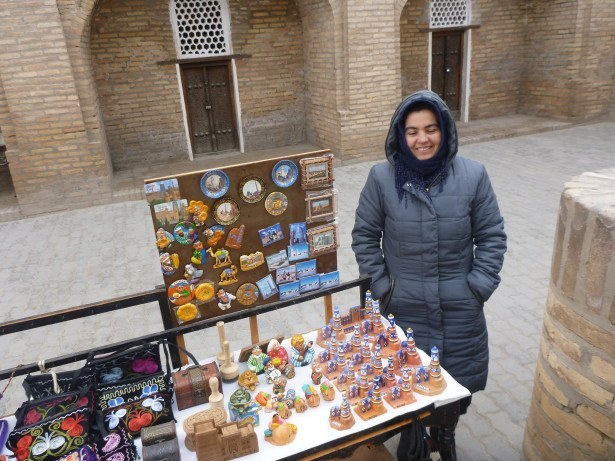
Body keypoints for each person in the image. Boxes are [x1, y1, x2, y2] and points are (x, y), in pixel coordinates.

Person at [351, 90, 506, 460]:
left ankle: (445, 434)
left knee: (454, 387)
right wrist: (382, 285)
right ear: (400, 135)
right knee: (405, 383)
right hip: (402, 306)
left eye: (431, 129)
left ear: (445, 131)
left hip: (459, 307)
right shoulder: (382, 177)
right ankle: (414, 436)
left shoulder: (473, 175)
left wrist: (478, 287)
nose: (423, 139)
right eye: (413, 131)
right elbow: (364, 236)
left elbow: (492, 236)